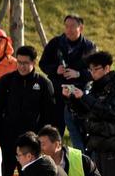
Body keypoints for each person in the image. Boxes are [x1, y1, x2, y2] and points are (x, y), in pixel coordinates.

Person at [0, 45, 55, 176]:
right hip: (8, 139)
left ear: (33, 63)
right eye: (19, 62)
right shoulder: (6, 81)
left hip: (31, 141)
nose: (21, 66)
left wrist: (44, 138)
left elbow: (49, 114)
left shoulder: (43, 84)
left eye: (25, 63)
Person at [39, 14, 96, 148]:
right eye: (66, 26)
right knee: (55, 130)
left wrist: (78, 74)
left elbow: (95, 72)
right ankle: (54, 160)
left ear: (80, 28)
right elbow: (42, 64)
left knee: (80, 131)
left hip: (79, 94)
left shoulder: (89, 46)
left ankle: (84, 161)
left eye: (72, 26)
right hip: (58, 93)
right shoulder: (55, 43)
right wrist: (55, 69)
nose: (69, 29)